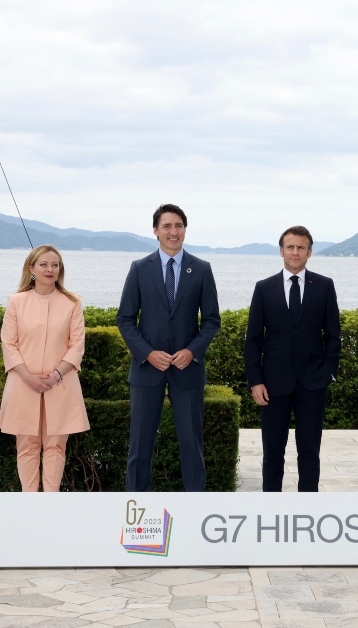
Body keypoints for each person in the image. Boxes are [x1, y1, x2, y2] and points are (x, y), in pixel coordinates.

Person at [117, 204, 221, 492]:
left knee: (192, 447)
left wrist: (192, 351)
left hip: (187, 371)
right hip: (146, 371)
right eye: (167, 226)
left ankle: (195, 510)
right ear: (155, 231)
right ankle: (137, 511)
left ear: (185, 229)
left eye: (178, 226)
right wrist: (147, 353)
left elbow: (212, 321)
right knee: (139, 447)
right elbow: (125, 318)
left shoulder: (201, 269)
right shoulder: (139, 268)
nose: (173, 232)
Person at [244, 226, 341, 492]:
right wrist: (256, 381)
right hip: (273, 384)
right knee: (273, 452)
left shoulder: (324, 286)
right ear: (281, 250)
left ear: (310, 252)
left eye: (301, 247)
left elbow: (334, 334)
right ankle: (272, 507)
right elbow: (253, 340)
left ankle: (307, 506)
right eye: (290, 247)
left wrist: (329, 371)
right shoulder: (264, 288)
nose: (295, 252)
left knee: (309, 451)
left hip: (313, 382)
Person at [0, 245, 89, 492]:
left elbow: (77, 344)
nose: (50, 269)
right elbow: (9, 343)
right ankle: (30, 502)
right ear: (31, 269)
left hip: (61, 383)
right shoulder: (16, 301)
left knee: (56, 446)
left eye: (55, 265)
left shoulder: (72, 303)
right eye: (44, 264)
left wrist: (57, 374)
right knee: (26, 446)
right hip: (22, 383)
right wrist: (28, 377)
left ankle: (51, 500)